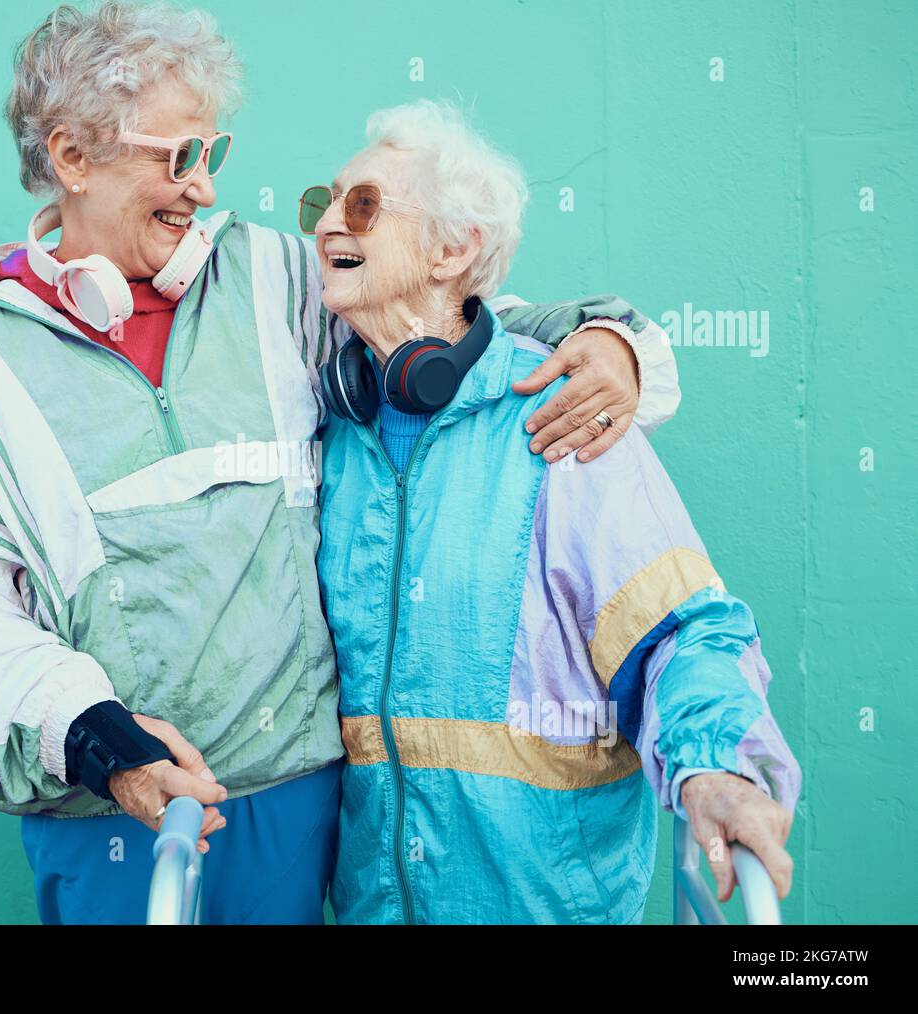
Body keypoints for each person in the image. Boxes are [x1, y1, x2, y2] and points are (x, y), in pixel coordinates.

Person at [0, 1, 678, 925]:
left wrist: (613, 341)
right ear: (71, 157)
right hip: (108, 818)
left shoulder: (275, 278)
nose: (202, 189)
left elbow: (447, 323)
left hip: (299, 812)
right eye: (178, 157)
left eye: (212, 155)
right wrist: (104, 745)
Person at [311, 99, 801, 924]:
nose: (327, 223)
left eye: (361, 204)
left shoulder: (564, 414)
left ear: (453, 250)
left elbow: (681, 631)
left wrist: (714, 767)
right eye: (320, 203)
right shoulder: (335, 432)